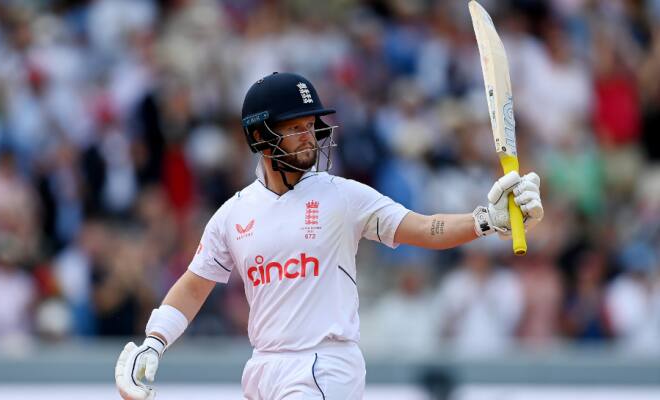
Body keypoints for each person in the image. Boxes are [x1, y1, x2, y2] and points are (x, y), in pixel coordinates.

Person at [115, 72, 544, 399]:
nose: (312, 136)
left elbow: (422, 229)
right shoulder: (232, 215)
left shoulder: (342, 196)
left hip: (325, 363)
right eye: (296, 127)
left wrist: (486, 220)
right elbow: (194, 285)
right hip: (263, 368)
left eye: (311, 125)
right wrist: (154, 344)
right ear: (262, 137)